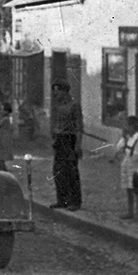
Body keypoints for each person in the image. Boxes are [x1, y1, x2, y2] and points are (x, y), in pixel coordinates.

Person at [49, 79, 83, 211]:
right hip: (59, 139)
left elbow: (79, 127)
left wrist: (78, 145)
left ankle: (75, 202)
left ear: (65, 91)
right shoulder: (58, 106)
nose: (56, 95)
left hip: (70, 139)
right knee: (58, 171)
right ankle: (61, 200)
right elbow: (56, 124)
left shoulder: (74, 105)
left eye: (58, 92)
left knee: (71, 172)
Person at [115, 116, 138, 221]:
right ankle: (130, 212)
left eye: (127, 125)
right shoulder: (128, 138)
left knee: (136, 190)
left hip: (134, 166)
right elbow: (118, 147)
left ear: (133, 126)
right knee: (128, 188)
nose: (125, 127)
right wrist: (124, 139)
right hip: (126, 163)